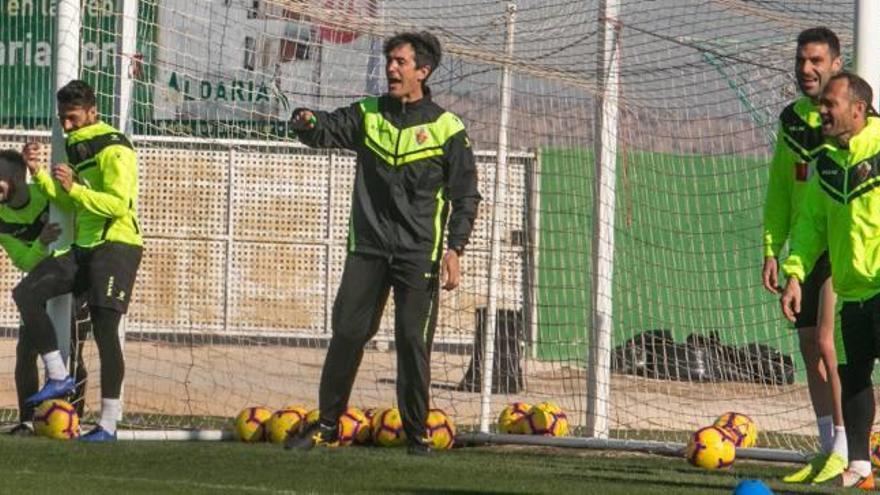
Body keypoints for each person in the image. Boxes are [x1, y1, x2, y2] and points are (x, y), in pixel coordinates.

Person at [284, 31, 481, 455]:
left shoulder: (447, 128)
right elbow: (327, 128)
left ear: (422, 71)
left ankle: (417, 435)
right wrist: (306, 121)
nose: (391, 68)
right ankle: (326, 427)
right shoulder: (367, 114)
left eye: (400, 62)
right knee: (347, 334)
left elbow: (466, 196)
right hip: (367, 250)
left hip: (419, 256)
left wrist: (455, 249)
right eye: (390, 61)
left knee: (412, 342)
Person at [16, 79, 143, 442]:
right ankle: (58, 375)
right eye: (62, 119)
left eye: (72, 118)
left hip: (116, 245)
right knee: (26, 293)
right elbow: (71, 201)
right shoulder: (75, 145)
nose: (66, 126)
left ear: (93, 112)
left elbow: (119, 205)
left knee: (105, 332)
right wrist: (38, 171)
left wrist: (76, 188)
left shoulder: (115, 147)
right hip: (83, 247)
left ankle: (107, 424)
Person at [781, 72, 880, 490]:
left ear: (858, 110)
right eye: (822, 104)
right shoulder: (825, 161)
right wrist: (795, 274)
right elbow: (810, 227)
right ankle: (859, 465)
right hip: (852, 291)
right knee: (853, 374)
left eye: (831, 104)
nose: (822, 110)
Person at [762, 27, 847, 484]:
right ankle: (826, 447)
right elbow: (781, 189)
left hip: (845, 251)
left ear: (837, 63)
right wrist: (773, 247)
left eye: (816, 60)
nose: (807, 69)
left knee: (831, 346)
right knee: (809, 346)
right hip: (804, 250)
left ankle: (850, 448)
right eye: (801, 61)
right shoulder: (791, 121)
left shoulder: (856, 119)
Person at [0, 149, 90, 435]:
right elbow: (24, 261)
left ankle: (72, 419)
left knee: (74, 353)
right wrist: (40, 242)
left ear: (16, 176)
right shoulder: (0, 219)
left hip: (72, 280)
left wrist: (42, 170)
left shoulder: (44, 191)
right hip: (39, 286)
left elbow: (72, 203)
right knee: (25, 351)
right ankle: (27, 420)